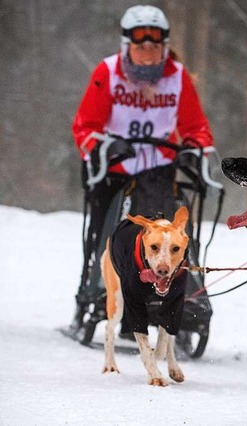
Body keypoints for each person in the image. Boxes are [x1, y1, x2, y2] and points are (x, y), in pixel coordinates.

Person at [71, 5, 214, 309]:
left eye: (155, 46)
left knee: (168, 232)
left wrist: (193, 148)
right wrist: (102, 147)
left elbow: (196, 126)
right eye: (140, 46)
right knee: (109, 232)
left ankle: (181, 291)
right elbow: (85, 125)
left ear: (165, 47)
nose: (148, 53)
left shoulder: (177, 76)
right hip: (115, 169)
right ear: (127, 46)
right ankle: (101, 285)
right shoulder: (107, 72)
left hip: (160, 170)